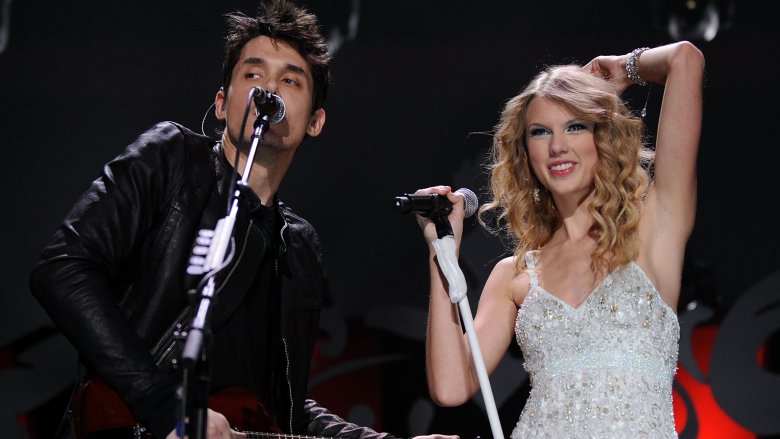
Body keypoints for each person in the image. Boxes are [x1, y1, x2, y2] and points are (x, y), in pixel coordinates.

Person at [29, 1, 459, 439]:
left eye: (289, 80)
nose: (267, 90)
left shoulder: (299, 246)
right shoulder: (171, 158)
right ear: (221, 102)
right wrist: (165, 406)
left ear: (315, 121)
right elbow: (63, 268)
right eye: (253, 75)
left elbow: (281, 409)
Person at [413, 41, 704, 438]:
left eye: (575, 125)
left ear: (603, 137)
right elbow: (450, 387)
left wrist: (624, 69)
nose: (557, 146)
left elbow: (684, 59)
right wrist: (440, 250)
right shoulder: (514, 276)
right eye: (540, 132)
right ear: (525, 153)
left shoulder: (655, 230)